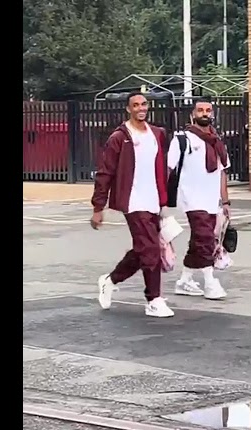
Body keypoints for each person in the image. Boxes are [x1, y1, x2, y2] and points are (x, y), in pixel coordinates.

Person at [90, 92, 174, 317]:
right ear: (128, 109)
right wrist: (99, 207)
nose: (140, 108)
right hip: (133, 202)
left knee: (143, 249)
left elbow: (160, 167)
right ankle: (154, 299)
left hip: (153, 201)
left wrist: (164, 200)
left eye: (144, 104)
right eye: (135, 105)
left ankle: (110, 280)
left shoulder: (158, 134)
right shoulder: (119, 137)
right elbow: (105, 172)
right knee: (151, 249)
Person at [167, 97, 231, 300]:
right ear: (192, 114)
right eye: (200, 110)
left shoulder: (217, 142)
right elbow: (168, 169)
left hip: (211, 200)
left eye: (208, 110)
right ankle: (211, 282)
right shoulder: (182, 139)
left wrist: (225, 201)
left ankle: (184, 280)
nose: (205, 113)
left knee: (199, 241)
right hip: (191, 198)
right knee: (204, 238)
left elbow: (222, 172)